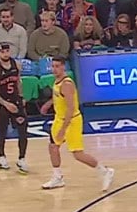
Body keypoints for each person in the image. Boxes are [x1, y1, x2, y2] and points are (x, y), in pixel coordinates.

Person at [39, 56, 115, 192]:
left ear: (63, 67)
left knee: (78, 154)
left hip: (71, 121)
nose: (54, 69)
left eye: (57, 66)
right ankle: (57, 177)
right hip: (59, 118)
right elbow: (58, 96)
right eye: (53, 66)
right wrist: (48, 104)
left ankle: (105, 171)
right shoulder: (57, 81)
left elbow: (71, 108)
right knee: (53, 147)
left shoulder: (67, 84)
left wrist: (63, 129)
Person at [0, 41, 29, 173]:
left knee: (23, 130)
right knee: (2, 130)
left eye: (7, 51)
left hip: (15, 100)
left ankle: (22, 158)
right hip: (1, 102)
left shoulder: (16, 65)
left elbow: (19, 82)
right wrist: (6, 104)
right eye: (2, 52)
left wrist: (21, 97)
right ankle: (1, 156)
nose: (5, 54)